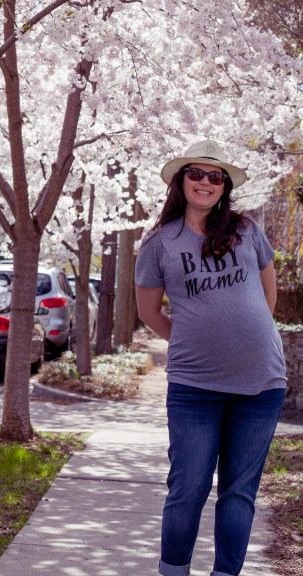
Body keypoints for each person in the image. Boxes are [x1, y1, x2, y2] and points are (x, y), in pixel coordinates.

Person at [135, 138, 286, 576]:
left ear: (224, 187)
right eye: (196, 173)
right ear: (181, 181)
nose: (205, 182)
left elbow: (268, 293)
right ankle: (174, 571)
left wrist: (250, 337)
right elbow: (149, 311)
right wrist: (191, 341)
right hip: (194, 389)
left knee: (240, 492)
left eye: (215, 176)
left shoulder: (246, 229)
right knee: (188, 488)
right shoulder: (160, 243)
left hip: (261, 385)